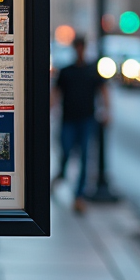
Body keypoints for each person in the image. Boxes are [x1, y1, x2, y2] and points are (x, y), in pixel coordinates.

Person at [51, 36, 110, 214]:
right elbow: (56, 92)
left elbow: (103, 90)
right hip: (68, 119)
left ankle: (79, 196)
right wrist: (51, 109)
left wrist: (107, 110)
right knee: (66, 152)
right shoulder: (66, 71)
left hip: (86, 119)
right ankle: (61, 175)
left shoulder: (91, 70)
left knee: (85, 157)